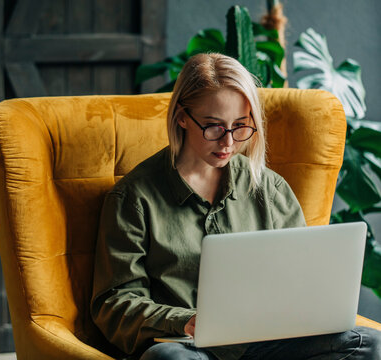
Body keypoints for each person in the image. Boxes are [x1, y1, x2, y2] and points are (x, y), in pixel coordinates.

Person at [90, 53, 381, 360]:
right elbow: (115, 302)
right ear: (181, 116)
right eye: (213, 127)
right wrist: (186, 321)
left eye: (241, 126)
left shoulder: (270, 189)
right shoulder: (134, 197)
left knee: (371, 345)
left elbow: (300, 279)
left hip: (268, 343)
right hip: (187, 346)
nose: (228, 142)